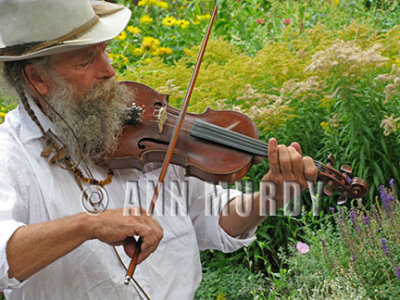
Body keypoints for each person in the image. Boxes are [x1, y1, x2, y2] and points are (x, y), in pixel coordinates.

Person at [0, 0, 317, 299]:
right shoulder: (9, 155)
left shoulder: (137, 125)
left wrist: (268, 198)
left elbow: (214, 217)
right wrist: (88, 225)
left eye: (104, 52)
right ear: (38, 77)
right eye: (86, 61)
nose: (109, 70)